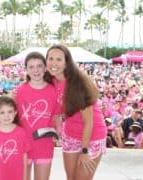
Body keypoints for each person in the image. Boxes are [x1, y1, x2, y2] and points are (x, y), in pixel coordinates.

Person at [46, 44, 107, 180]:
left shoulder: (78, 83)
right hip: (70, 134)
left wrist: (84, 151)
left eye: (58, 59)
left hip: (92, 136)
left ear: (67, 63)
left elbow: (89, 122)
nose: (53, 63)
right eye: (50, 59)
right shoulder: (52, 81)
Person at [14, 52, 58, 180]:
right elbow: (12, 117)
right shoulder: (20, 91)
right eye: (31, 67)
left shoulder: (53, 90)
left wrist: (58, 133)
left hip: (44, 144)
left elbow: (57, 115)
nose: (36, 70)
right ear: (26, 70)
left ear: (45, 68)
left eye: (39, 66)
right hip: (23, 144)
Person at [0, 96, 31, 180]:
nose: (7, 116)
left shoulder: (22, 133)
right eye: (2, 112)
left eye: (10, 112)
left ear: (15, 112)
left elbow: (24, 158)